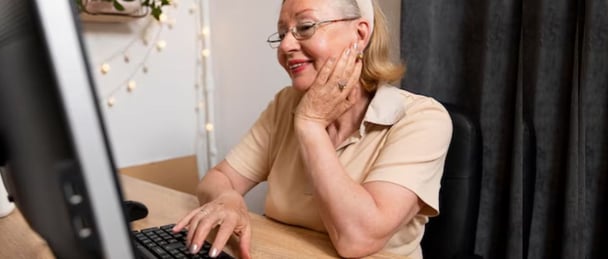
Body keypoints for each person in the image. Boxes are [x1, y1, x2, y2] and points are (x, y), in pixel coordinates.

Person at [173, 0, 452, 258]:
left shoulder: (422, 118)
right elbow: (219, 177)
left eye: (305, 27)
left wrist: (310, 124)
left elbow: (358, 240)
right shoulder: (285, 104)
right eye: (282, 35)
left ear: (360, 33)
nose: (285, 47)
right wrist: (227, 199)